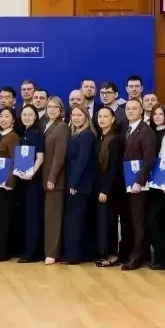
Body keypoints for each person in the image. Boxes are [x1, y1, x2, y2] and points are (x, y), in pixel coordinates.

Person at [120, 98, 157, 270]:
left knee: (138, 221)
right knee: (128, 220)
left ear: (141, 111)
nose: (130, 111)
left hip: (138, 185)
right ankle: (128, 253)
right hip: (125, 182)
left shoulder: (146, 131)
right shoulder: (126, 130)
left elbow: (149, 161)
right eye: (128, 108)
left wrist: (139, 182)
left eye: (134, 108)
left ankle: (138, 257)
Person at [59, 106, 94, 264]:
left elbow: (82, 160)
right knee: (73, 220)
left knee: (75, 221)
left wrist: (73, 183)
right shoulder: (75, 133)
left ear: (86, 117)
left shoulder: (86, 134)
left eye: (79, 115)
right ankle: (73, 253)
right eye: (73, 115)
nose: (76, 118)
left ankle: (73, 255)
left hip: (80, 185)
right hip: (73, 182)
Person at [91, 106, 122, 267]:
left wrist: (105, 190)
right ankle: (102, 252)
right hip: (98, 186)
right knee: (101, 222)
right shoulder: (99, 138)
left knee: (110, 221)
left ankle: (112, 254)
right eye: (100, 117)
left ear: (113, 119)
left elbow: (114, 167)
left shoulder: (115, 139)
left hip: (110, 188)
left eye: (105, 116)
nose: (102, 119)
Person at [15, 104, 46, 263]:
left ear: (35, 117)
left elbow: (40, 157)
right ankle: (25, 249)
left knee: (33, 215)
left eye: (30, 115)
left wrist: (31, 173)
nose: (27, 117)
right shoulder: (24, 132)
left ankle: (33, 252)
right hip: (23, 179)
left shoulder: (37, 133)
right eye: (24, 115)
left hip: (33, 180)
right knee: (26, 215)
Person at [41, 98, 70, 265]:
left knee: (53, 218)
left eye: (55, 107)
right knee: (47, 217)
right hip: (43, 177)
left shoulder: (62, 127)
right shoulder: (46, 125)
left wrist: (52, 178)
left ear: (61, 109)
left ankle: (52, 252)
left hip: (55, 180)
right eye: (49, 107)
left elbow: (60, 156)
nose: (52, 109)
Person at [146, 105, 165, 269]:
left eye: (160, 114)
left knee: (158, 220)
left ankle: (163, 257)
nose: (157, 117)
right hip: (150, 182)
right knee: (156, 220)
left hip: (161, 183)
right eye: (154, 114)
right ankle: (158, 256)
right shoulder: (152, 131)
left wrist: (164, 183)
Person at [0, 107, 21, 261]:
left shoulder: (13, 137)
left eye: (7, 116)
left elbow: (15, 161)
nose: (3, 119)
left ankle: (4, 252)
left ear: (13, 120)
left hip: (6, 184)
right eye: (1, 116)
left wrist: (10, 182)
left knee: (4, 218)